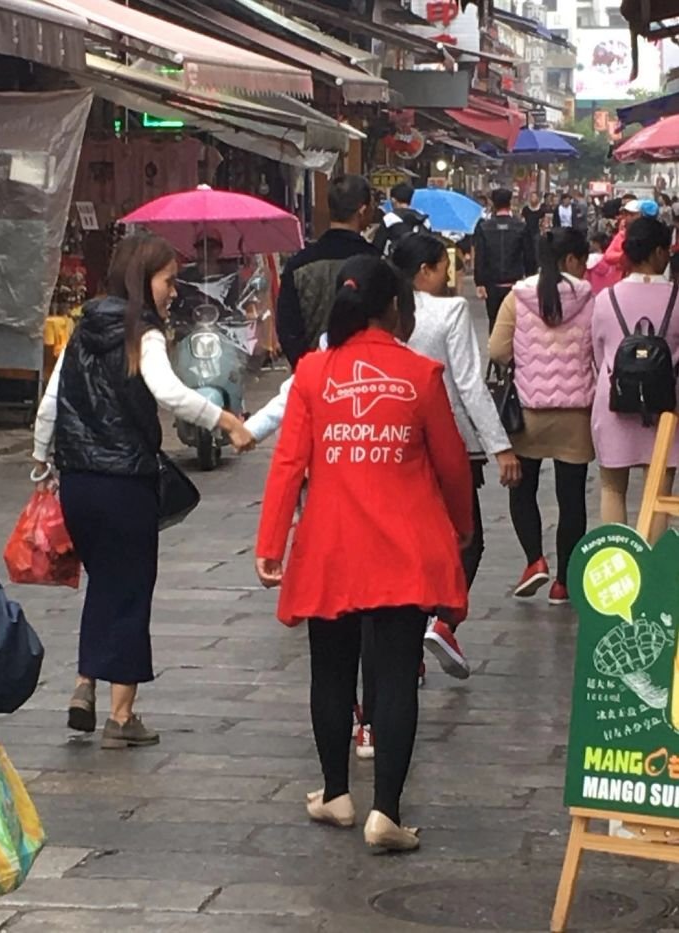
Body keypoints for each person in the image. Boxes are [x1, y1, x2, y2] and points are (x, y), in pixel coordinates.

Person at [255, 255, 472, 852]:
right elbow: (453, 464)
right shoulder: (420, 374)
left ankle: (335, 793)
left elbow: (289, 463)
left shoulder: (313, 373)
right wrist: (461, 526)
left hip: (331, 546)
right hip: (404, 548)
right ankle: (387, 814)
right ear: (394, 308)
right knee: (396, 675)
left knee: (330, 671)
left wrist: (271, 543)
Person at [31, 235, 255, 749]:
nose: (173, 291)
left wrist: (42, 462)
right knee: (130, 590)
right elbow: (170, 393)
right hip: (125, 484)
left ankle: (85, 682)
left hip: (79, 483)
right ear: (142, 279)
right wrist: (225, 420)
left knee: (105, 583)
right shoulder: (142, 332)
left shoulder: (85, 326)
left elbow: (50, 402)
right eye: (168, 280)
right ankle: (122, 716)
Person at [391, 233, 521, 675]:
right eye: (443, 269)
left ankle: (409, 641)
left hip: (393, 442)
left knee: (408, 547)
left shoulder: (384, 308)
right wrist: (499, 445)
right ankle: (442, 621)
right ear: (424, 270)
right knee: (468, 539)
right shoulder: (449, 311)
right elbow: (468, 383)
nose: (448, 278)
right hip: (447, 441)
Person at [489, 228, 595, 605]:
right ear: (571, 259)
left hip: (527, 414)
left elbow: (497, 350)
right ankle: (563, 583)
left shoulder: (517, 297)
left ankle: (534, 560)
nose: (585, 269)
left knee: (523, 490)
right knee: (572, 499)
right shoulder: (589, 298)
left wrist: (528, 363)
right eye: (583, 261)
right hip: (575, 416)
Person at [592, 217, 678, 541]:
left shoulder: (606, 298)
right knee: (657, 493)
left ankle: (620, 558)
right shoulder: (676, 298)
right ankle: (651, 562)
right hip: (666, 406)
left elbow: (598, 353)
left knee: (612, 489)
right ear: (657, 252)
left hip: (615, 401)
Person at [276, 175, 376, 368]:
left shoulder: (298, 264)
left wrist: (305, 367)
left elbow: (287, 328)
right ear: (363, 210)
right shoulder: (376, 262)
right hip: (365, 371)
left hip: (312, 371)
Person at [474, 188, 537, 333]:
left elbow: (480, 256)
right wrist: (531, 277)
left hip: (492, 284)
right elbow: (529, 256)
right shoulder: (521, 226)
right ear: (510, 203)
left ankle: (494, 346)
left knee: (494, 321)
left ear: (493, 204)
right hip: (515, 283)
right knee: (515, 323)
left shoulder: (484, 227)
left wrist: (480, 282)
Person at [373, 183, 430, 257]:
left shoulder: (390, 218)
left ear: (393, 200)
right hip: (420, 261)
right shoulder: (423, 218)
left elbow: (377, 247)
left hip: (397, 261)